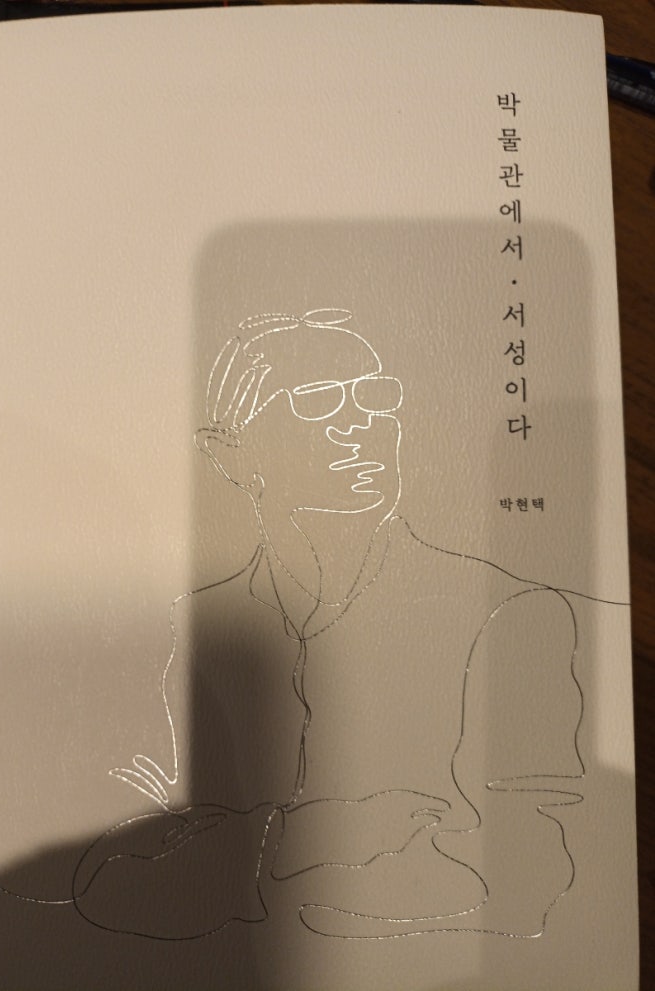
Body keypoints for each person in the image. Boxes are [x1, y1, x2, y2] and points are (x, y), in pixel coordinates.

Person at [73, 310, 585, 940]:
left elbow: (533, 876)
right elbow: (103, 877)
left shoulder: (509, 611)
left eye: (375, 397)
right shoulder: (182, 631)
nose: (359, 424)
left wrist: (226, 861)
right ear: (230, 455)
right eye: (316, 401)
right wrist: (310, 837)